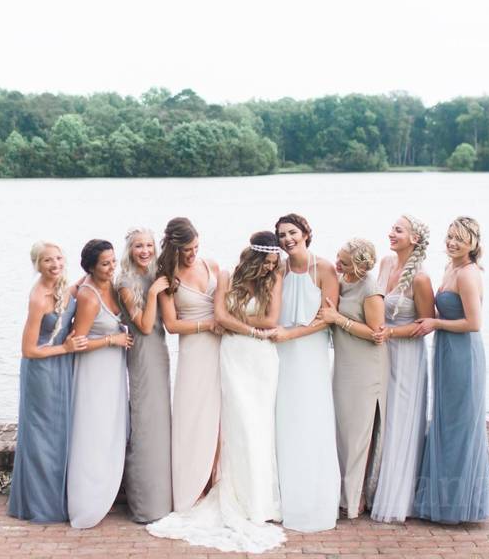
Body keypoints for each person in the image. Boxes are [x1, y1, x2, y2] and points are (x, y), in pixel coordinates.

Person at [148, 231, 286, 553]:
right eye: (265, 263)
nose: (269, 268)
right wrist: (250, 328)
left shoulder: (273, 277)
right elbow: (220, 316)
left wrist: (238, 321)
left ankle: (259, 499)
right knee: (234, 423)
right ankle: (220, 488)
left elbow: (270, 318)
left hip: (261, 360)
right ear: (253, 258)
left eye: (273, 264)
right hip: (233, 354)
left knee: (258, 426)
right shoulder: (227, 275)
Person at [412, 216, 489, 523]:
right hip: (446, 351)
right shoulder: (450, 268)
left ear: (473, 242)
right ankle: (442, 499)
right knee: (444, 423)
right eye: (448, 236)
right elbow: (434, 309)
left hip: (463, 354)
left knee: (460, 425)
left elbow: (474, 323)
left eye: (459, 238)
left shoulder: (469, 275)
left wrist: (435, 323)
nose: (451, 242)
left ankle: (461, 504)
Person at [270, 213, 340, 532]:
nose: (287, 239)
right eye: (282, 235)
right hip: (281, 353)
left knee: (312, 420)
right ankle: (283, 494)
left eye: (292, 232)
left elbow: (328, 317)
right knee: (284, 419)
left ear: (306, 233)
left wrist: (291, 335)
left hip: (309, 354)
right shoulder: (278, 269)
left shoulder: (324, 268)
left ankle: (314, 496)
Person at [315, 237, 387, 519]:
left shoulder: (370, 289)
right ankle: (341, 490)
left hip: (366, 366)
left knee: (358, 435)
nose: (337, 264)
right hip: (344, 364)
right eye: (337, 257)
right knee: (342, 431)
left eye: (343, 261)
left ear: (359, 266)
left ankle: (354, 499)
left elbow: (376, 334)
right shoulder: (342, 281)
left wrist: (338, 319)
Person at [8, 241, 80, 523]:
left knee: (61, 431)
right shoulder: (38, 298)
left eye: (59, 258)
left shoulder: (66, 286)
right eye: (48, 260)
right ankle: (40, 504)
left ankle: (60, 495)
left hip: (62, 366)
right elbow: (28, 349)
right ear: (37, 264)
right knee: (43, 436)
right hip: (42, 369)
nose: (55, 264)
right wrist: (66, 349)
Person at [369, 215, 435, 523]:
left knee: (398, 421)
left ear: (415, 240)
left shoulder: (420, 279)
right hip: (380, 352)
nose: (391, 233)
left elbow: (425, 325)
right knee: (378, 419)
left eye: (398, 230)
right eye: (392, 227)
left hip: (407, 355)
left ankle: (396, 496)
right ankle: (371, 489)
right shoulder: (384, 263)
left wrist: (391, 333)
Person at [157, 217, 223, 513]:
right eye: (187, 249)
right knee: (193, 415)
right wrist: (208, 325)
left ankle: (217, 481)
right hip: (195, 352)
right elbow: (172, 325)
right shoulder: (167, 278)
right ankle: (192, 487)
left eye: (196, 246)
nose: (193, 253)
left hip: (223, 348)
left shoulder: (212, 265)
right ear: (175, 249)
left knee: (222, 414)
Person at [66, 239, 133, 529]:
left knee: (112, 429)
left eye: (113, 261)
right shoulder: (89, 296)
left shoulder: (113, 286)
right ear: (91, 267)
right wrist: (111, 339)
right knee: (93, 432)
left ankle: (109, 488)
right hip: (93, 372)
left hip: (113, 372)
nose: (111, 267)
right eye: (105, 264)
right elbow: (77, 343)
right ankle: (88, 501)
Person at [116, 228, 173, 523]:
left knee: (161, 423)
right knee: (145, 423)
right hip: (141, 353)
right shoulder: (126, 283)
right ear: (129, 249)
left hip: (160, 353)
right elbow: (145, 324)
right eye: (139, 246)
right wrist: (152, 293)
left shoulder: (156, 273)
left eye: (149, 245)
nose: (145, 250)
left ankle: (165, 499)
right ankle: (145, 504)